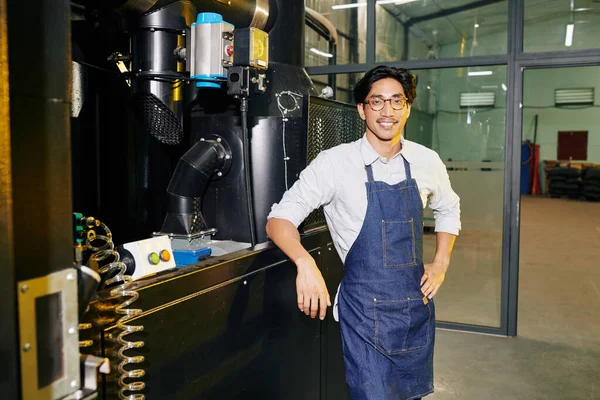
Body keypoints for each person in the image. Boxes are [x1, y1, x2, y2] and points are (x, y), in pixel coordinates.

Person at [266, 65, 460, 400]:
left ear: (408, 107)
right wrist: (305, 263)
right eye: (377, 102)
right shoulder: (335, 164)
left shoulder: (427, 161)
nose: (388, 111)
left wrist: (441, 262)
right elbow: (279, 220)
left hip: (414, 309)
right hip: (364, 314)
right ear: (361, 109)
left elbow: (448, 208)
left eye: (397, 102)